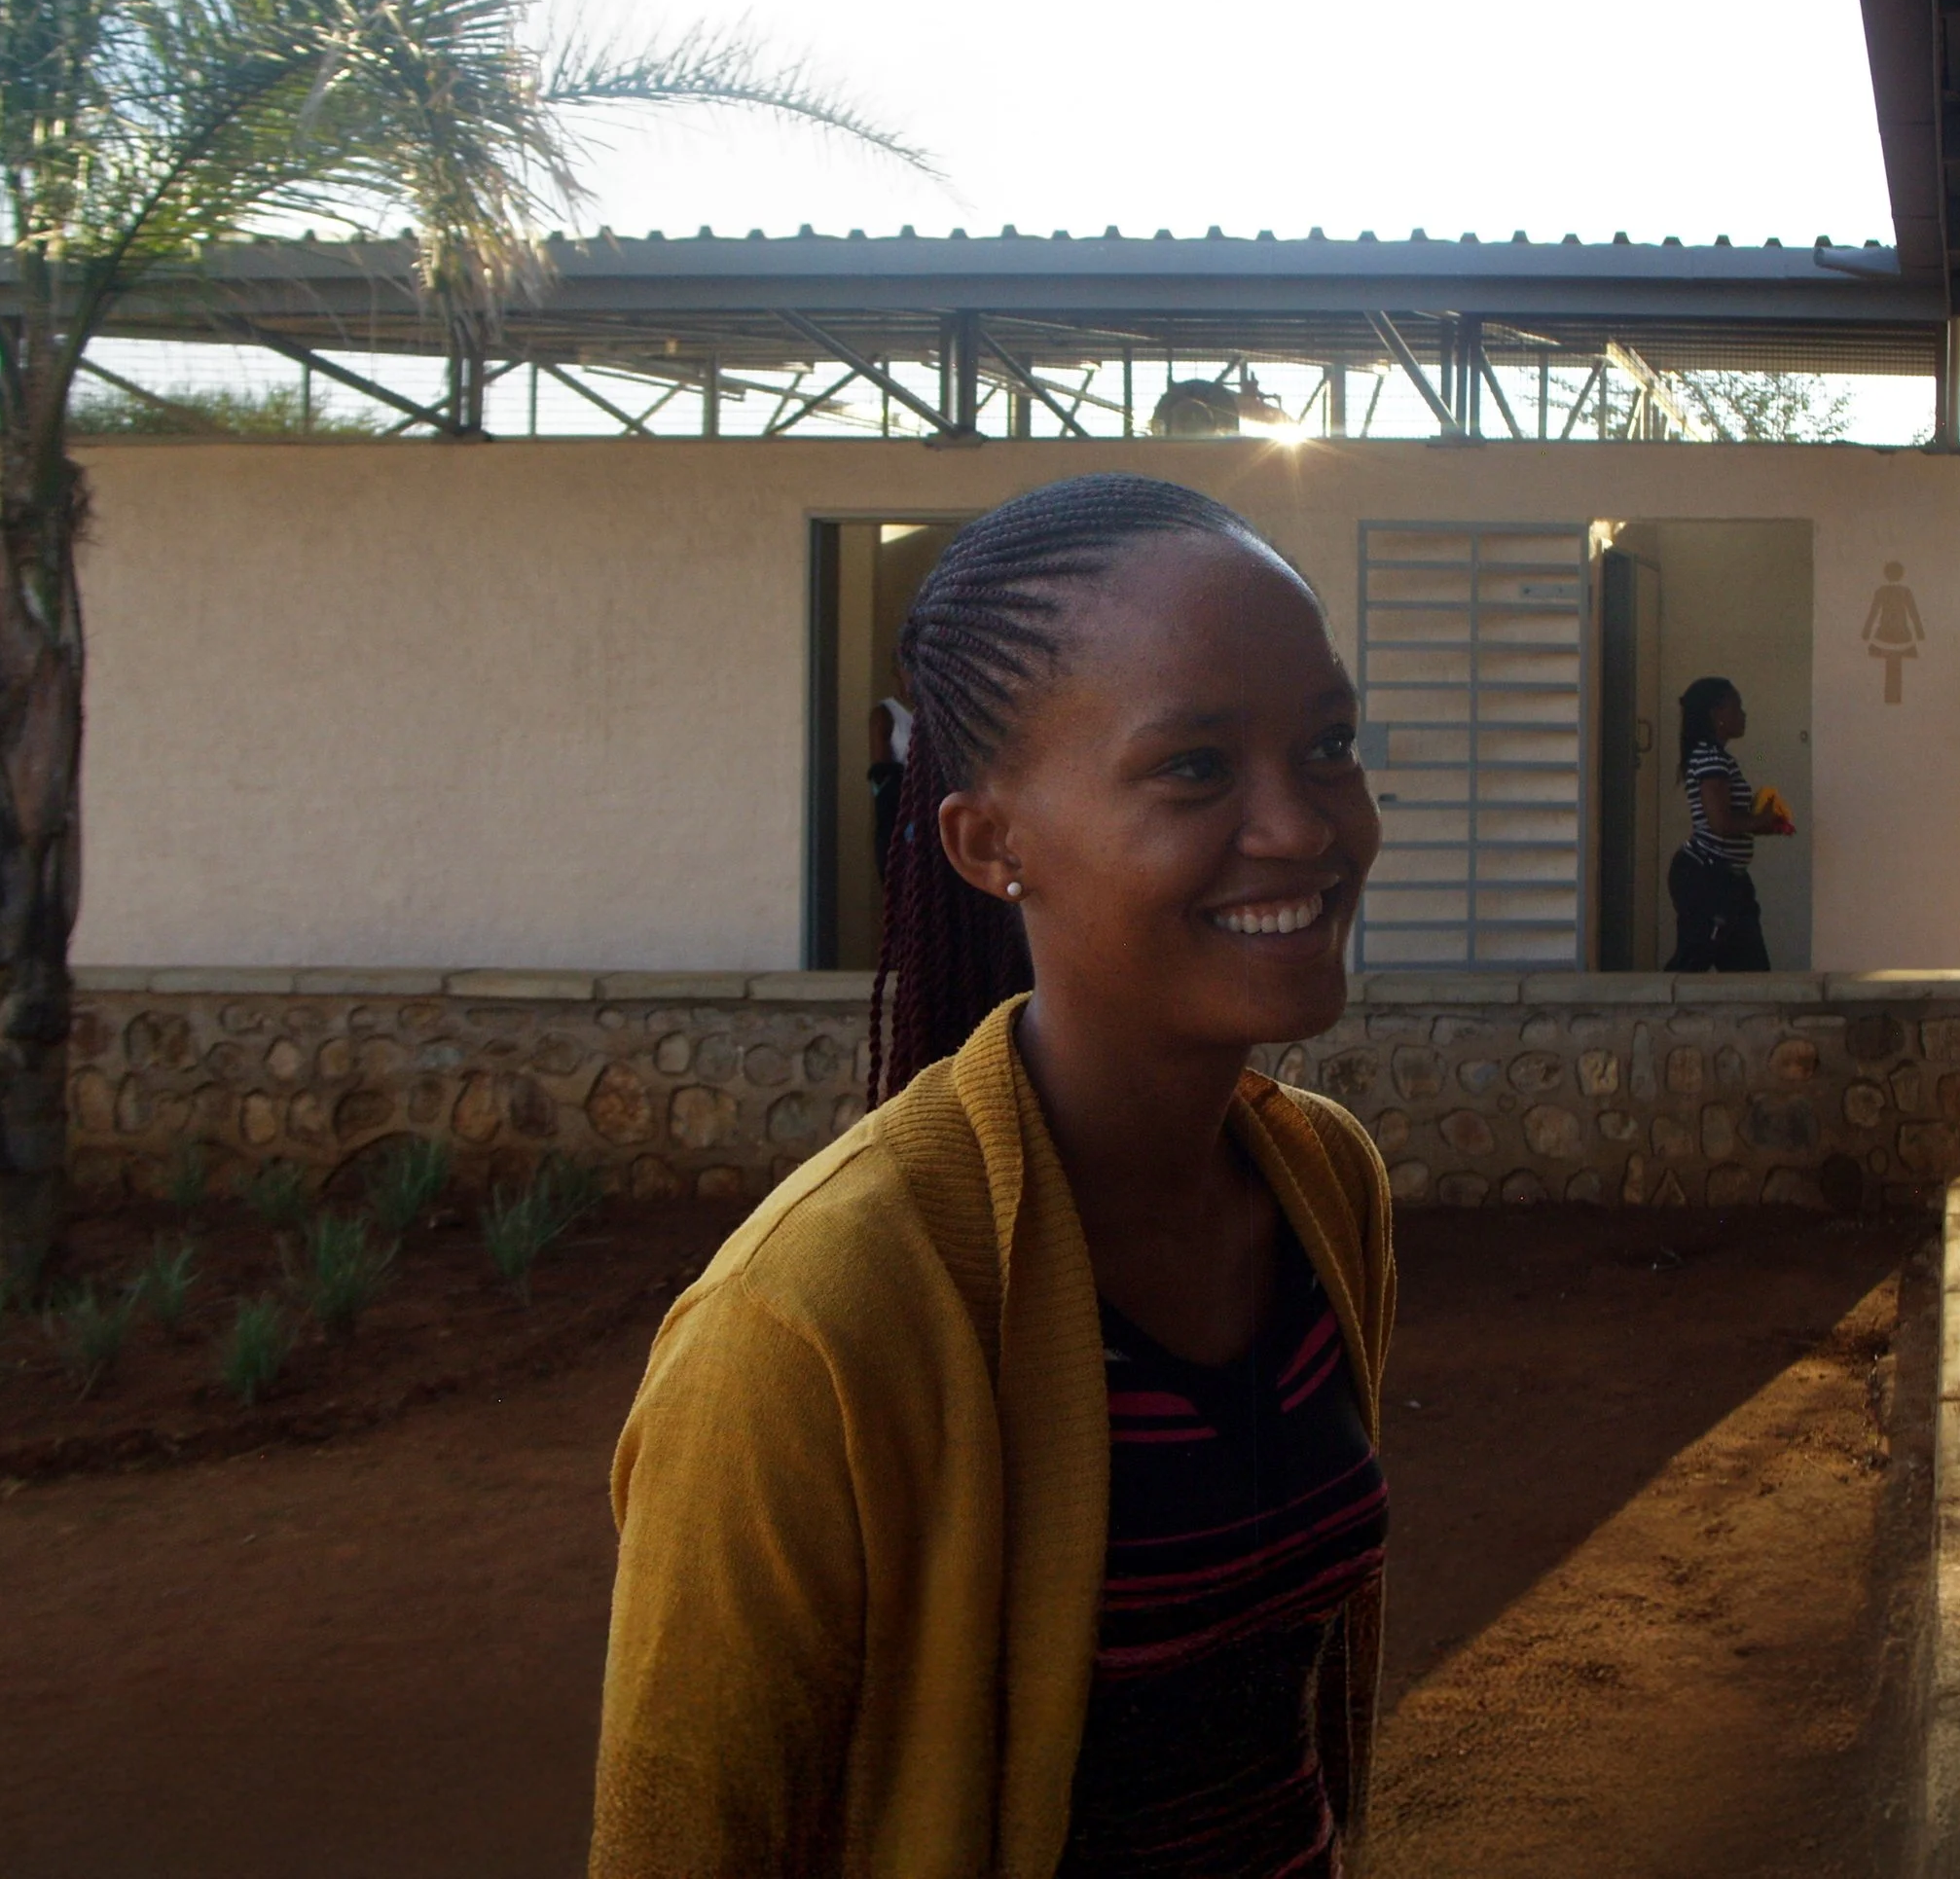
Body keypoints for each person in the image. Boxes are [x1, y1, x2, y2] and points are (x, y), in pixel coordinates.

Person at [594, 475, 1396, 1879]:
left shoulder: (1323, 1188)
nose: (1306, 825)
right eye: (1198, 766)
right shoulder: (807, 1332)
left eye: (1328, 743)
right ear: (987, 842)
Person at [1665, 674, 1789, 972]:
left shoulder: (1719, 758)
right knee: (1693, 962)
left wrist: (1766, 826)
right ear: (1716, 713)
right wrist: (1762, 818)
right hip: (1708, 878)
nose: (1743, 715)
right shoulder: (1710, 759)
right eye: (1737, 707)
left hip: (1731, 880)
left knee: (1750, 969)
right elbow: (1720, 823)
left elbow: (1730, 822)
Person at [867, 666, 914, 877]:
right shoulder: (884, 715)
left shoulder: (937, 711)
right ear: (897, 671)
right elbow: (882, 777)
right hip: (900, 810)